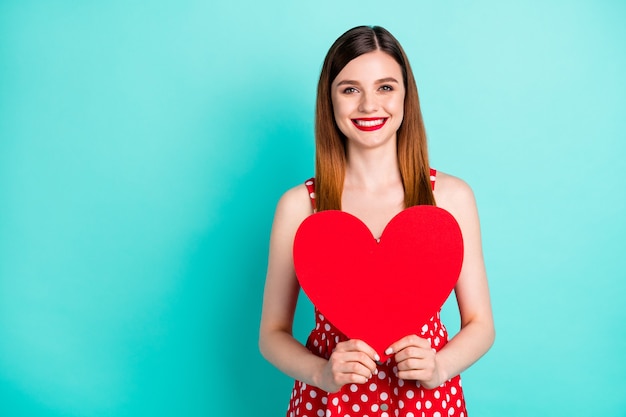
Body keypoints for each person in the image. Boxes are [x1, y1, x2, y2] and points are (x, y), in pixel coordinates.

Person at [259, 25, 494, 417]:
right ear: (329, 100)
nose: (369, 105)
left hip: (427, 401)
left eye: (385, 87)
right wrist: (321, 373)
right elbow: (271, 334)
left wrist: (440, 367)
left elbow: (480, 323)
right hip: (329, 402)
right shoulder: (299, 207)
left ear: (406, 97)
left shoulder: (450, 198)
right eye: (350, 89)